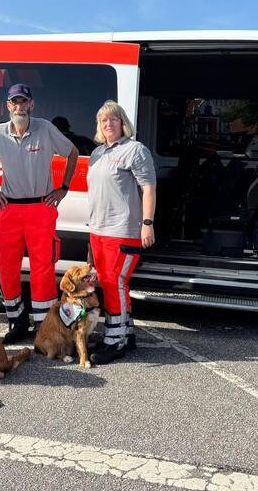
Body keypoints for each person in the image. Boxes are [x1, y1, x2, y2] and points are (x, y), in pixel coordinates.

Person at [0, 83, 79, 344]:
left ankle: (45, 325)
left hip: (40, 208)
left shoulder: (45, 128)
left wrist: (64, 187)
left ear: (31, 104)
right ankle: (17, 321)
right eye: (15, 102)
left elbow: (73, 153)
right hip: (9, 209)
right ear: (8, 105)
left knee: (42, 268)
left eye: (24, 102)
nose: (19, 107)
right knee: (6, 267)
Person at [87, 101, 156, 365]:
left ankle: (115, 341)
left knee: (114, 282)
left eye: (113, 119)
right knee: (110, 283)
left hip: (123, 230)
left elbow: (148, 188)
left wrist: (147, 223)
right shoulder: (97, 153)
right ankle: (125, 332)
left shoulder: (135, 150)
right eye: (103, 120)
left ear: (123, 122)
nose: (108, 124)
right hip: (98, 229)